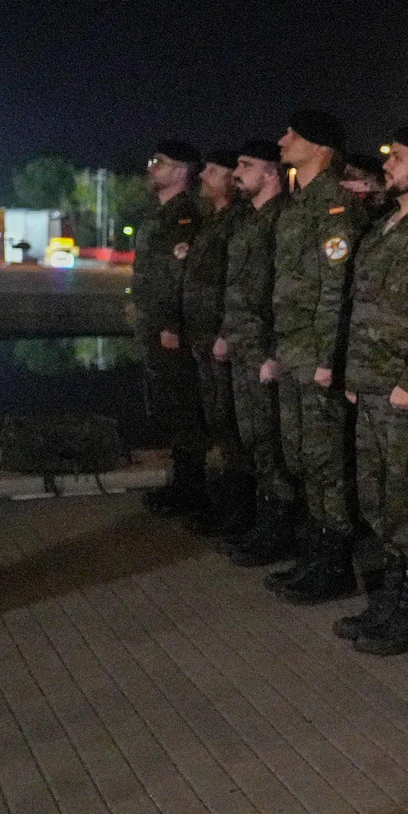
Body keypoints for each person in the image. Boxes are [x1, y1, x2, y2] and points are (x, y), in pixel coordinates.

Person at [335, 125, 408, 655]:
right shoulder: (383, 225)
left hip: (400, 388)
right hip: (370, 382)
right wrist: (354, 375)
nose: (387, 165)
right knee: (377, 498)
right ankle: (390, 599)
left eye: (398, 157)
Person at [263, 110, 372, 604]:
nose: (283, 139)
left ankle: (335, 564)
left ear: (321, 147)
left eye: (294, 134)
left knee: (326, 461)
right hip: (293, 348)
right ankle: (314, 553)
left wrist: (328, 358)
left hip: (316, 354)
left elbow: (336, 289)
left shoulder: (335, 205)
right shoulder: (299, 202)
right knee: (301, 457)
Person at [216, 140, 292, 564]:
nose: (237, 172)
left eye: (246, 165)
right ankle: (262, 523)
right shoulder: (248, 219)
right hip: (243, 346)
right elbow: (238, 287)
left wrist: (275, 353)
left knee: (272, 445)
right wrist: (228, 333)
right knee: (254, 442)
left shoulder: (284, 220)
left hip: (265, 350)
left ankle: (278, 531)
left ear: (271, 173)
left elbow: (285, 293)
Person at [131, 139, 208, 516]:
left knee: (182, 408)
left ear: (180, 172)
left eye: (159, 162)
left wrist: (171, 324)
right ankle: (181, 484)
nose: (151, 168)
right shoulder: (159, 215)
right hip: (153, 326)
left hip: (170, 331)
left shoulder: (185, 216)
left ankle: (191, 490)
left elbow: (180, 277)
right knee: (165, 407)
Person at [184, 150, 250, 535]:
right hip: (204, 337)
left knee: (231, 426)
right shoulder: (213, 221)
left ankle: (238, 510)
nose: (203, 176)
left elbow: (236, 283)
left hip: (223, 339)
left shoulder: (237, 222)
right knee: (217, 422)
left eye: (213, 170)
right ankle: (225, 504)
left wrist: (226, 332)